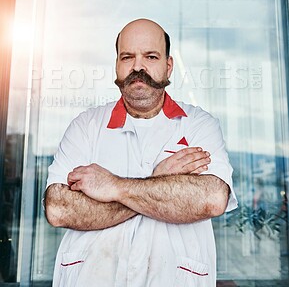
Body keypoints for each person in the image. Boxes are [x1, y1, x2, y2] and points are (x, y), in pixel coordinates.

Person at [44, 18, 237, 287]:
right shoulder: (85, 126)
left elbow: (211, 198)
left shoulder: (199, 125)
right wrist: (160, 183)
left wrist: (113, 186)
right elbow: (59, 208)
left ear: (168, 66)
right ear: (117, 65)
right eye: (127, 57)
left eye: (150, 56)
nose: (138, 66)